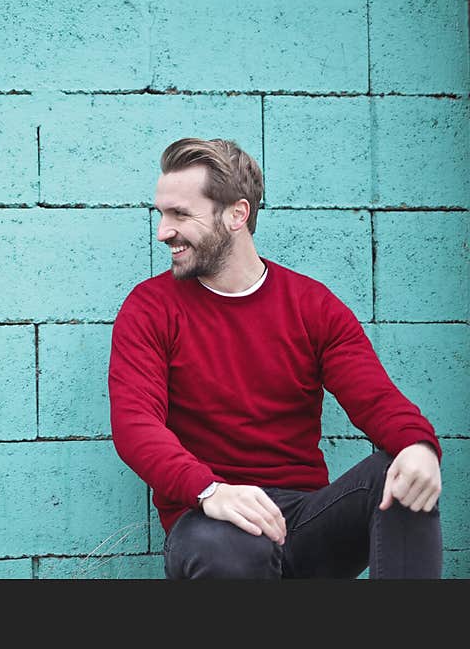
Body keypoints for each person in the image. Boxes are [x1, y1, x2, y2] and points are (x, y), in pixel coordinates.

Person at [108, 137, 443, 579]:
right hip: (209, 520)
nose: (163, 230)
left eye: (180, 214)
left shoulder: (311, 305)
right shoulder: (150, 308)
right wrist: (210, 491)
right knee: (227, 551)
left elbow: (375, 397)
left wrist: (418, 446)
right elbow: (135, 426)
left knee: (400, 476)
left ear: (236, 214)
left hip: (302, 520)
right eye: (162, 214)